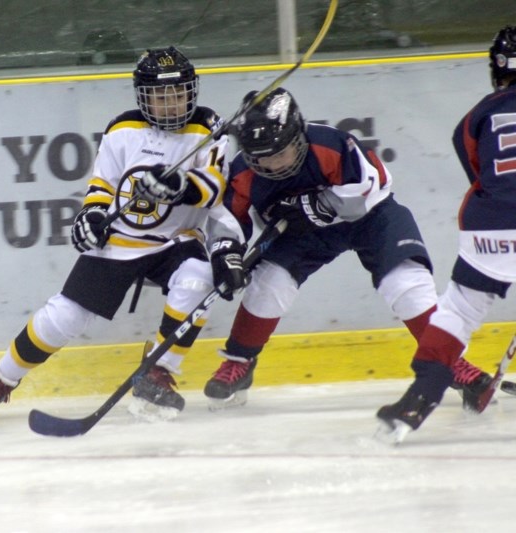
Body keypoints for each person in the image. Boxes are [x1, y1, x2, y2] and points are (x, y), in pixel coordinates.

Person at [0, 46, 246, 420]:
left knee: (198, 279)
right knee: (64, 316)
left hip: (176, 239)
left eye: (178, 94)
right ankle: (3, 378)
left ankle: (158, 373)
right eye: (161, 96)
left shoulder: (209, 127)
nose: (172, 104)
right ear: (142, 96)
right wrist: (92, 216)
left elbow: (214, 189)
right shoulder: (122, 129)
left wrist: (181, 185)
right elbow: (102, 185)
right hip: (122, 240)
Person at [203, 86, 498, 412]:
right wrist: (226, 252)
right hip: (301, 233)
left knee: (406, 283)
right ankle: (239, 362)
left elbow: (372, 185)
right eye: (260, 158)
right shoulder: (243, 171)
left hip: (371, 219)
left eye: (278, 153)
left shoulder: (332, 144)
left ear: (297, 135)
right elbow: (228, 217)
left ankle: (450, 363)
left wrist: (314, 203)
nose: (271, 166)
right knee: (268, 283)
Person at [377, 26, 516, 440]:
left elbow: (479, 170)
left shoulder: (476, 116)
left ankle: (419, 398)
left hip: (490, 225)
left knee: (456, 311)